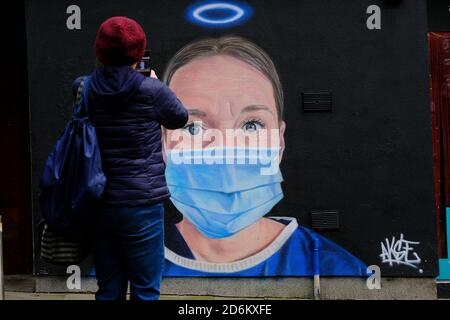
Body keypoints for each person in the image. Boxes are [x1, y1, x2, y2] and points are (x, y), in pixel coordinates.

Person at [161, 36, 368, 276]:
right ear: (163, 144)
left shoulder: (338, 271)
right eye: (193, 127)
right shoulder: (131, 265)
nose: (227, 151)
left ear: (279, 142)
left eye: (251, 125)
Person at [72, 16, 188, 300]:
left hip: (98, 201)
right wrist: (156, 84)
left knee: (109, 287)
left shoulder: (82, 87)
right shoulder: (151, 89)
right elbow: (179, 118)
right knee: (145, 289)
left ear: (100, 50)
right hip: (141, 204)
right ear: (138, 53)